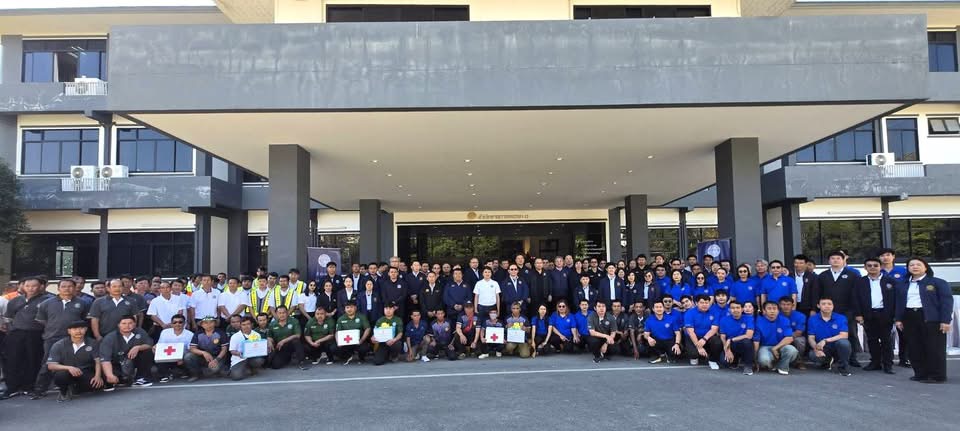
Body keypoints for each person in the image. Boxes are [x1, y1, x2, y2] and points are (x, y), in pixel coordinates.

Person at [895, 257, 953, 383]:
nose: (915, 267)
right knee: (914, 346)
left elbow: (946, 302)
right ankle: (920, 373)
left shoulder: (937, 282)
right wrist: (898, 319)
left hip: (930, 318)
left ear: (925, 267)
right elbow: (898, 303)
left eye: (918, 264)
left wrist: (945, 320)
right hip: (909, 317)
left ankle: (937, 376)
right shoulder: (902, 284)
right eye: (911, 265)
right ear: (908, 268)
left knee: (934, 348)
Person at [32, 278, 89, 399]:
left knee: (74, 362)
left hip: (74, 338)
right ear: (58, 288)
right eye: (63, 286)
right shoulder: (47, 303)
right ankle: (40, 389)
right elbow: (42, 320)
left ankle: (72, 387)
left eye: (70, 286)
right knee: (48, 363)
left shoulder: (82, 303)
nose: (67, 289)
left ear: (75, 288)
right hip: (52, 337)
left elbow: (84, 319)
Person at [0, 277, 52, 400]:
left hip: (36, 334)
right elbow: (8, 318)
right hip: (16, 333)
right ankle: (12, 387)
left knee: (33, 360)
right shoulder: (15, 300)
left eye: (34, 286)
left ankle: (29, 387)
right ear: (23, 286)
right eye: (27, 286)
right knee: (12, 360)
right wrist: (10, 330)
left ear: (40, 286)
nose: (30, 288)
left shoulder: (47, 300)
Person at [817, 251, 861, 367]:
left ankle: (852, 358)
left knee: (851, 333)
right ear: (829, 261)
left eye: (838, 258)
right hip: (827, 311)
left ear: (843, 260)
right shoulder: (823, 276)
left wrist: (857, 312)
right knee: (828, 332)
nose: (835, 260)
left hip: (847, 310)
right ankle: (830, 357)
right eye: (833, 258)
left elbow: (857, 294)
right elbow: (818, 293)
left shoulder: (852, 275)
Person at [853, 257, 897, 374]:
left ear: (881, 267)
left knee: (886, 340)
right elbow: (855, 299)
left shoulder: (890, 281)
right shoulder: (860, 282)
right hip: (868, 314)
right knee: (872, 340)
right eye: (869, 265)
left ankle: (888, 364)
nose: (872, 267)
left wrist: (895, 315)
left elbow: (896, 299)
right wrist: (858, 314)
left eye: (875, 265)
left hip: (885, 314)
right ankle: (875, 362)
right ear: (865, 267)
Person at [46, 320, 103, 402]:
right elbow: (51, 365)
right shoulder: (59, 345)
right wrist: (69, 368)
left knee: (95, 385)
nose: (78, 331)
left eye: (81, 328)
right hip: (66, 372)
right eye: (75, 329)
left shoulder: (93, 343)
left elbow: (98, 361)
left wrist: (98, 376)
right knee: (61, 376)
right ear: (69, 331)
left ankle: (75, 388)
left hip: (84, 371)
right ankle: (64, 391)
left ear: (86, 329)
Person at [99, 315, 155, 389]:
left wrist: (138, 347)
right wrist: (109, 375)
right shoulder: (110, 338)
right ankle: (123, 379)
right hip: (117, 363)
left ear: (134, 324)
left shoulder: (140, 331)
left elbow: (149, 344)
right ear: (118, 325)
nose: (127, 326)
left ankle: (141, 378)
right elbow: (105, 359)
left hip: (133, 361)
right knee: (113, 379)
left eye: (130, 323)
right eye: (124, 323)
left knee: (147, 352)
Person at [877, 248, 910, 368]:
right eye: (882, 255)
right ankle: (885, 359)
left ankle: (904, 359)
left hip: (901, 306)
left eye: (888, 255)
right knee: (884, 335)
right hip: (884, 307)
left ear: (893, 256)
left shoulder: (903, 271)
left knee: (904, 334)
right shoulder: (877, 270)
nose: (885, 258)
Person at [807, 297, 853, 377]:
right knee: (812, 355)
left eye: (829, 304)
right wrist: (816, 348)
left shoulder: (841, 318)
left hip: (837, 347)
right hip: (823, 348)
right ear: (818, 306)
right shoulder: (812, 319)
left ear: (833, 306)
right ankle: (826, 362)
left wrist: (825, 340)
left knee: (844, 343)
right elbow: (811, 337)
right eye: (823, 304)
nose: (827, 306)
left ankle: (843, 367)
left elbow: (844, 335)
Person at [754, 301, 799, 375]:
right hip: (765, 347)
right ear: (764, 311)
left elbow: (789, 338)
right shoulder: (758, 321)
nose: (772, 311)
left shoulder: (784, 320)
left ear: (778, 311)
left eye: (774, 309)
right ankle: (772, 365)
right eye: (769, 308)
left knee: (792, 350)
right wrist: (755, 360)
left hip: (781, 346)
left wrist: (775, 348)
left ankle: (782, 367)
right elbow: (756, 342)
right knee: (764, 360)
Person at [683, 295, 722, 369]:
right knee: (693, 355)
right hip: (693, 337)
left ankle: (712, 360)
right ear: (696, 303)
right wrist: (699, 347)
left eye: (706, 303)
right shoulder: (689, 313)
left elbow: (714, 329)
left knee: (717, 342)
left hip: (707, 337)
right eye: (702, 303)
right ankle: (698, 355)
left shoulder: (715, 312)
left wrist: (704, 339)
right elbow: (690, 332)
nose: (704, 305)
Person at [185, 316, 228, 381]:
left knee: (214, 369)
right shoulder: (198, 333)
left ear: (215, 323)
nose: (208, 324)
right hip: (202, 356)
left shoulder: (221, 333)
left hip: (217, 356)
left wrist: (216, 360)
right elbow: (192, 348)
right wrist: (204, 353)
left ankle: (209, 371)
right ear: (202, 325)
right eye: (205, 323)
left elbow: (224, 349)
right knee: (188, 356)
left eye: (211, 322)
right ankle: (195, 374)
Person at [718, 300, 755, 375]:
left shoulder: (749, 318)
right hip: (731, 345)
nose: (735, 310)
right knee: (724, 362)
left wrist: (731, 339)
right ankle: (735, 360)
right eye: (733, 308)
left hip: (742, 344)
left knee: (747, 341)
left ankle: (748, 366)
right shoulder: (724, 319)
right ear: (729, 309)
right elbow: (723, 337)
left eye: (738, 308)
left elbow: (749, 335)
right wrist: (727, 350)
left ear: (742, 309)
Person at [154, 314, 194, 382]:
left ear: (184, 323)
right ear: (171, 324)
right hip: (167, 357)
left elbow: (191, 349)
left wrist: (181, 359)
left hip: (182, 358)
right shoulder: (165, 332)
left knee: (189, 357)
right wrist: (155, 348)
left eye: (180, 322)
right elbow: (160, 345)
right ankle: (164, 375)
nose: (177, 324)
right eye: (175, 322)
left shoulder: (190, 334)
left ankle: (185, 372)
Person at [228, 316, 267, 380]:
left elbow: (259, 347)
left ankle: (252, 368)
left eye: (248, 324)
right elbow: (232, 351)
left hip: (252, 357)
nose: (246, 326)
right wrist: (239, 353)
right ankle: (245, 369)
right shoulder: (235, 336)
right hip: (239, 359)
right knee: (236, 377)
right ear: (240, 325)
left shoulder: (257, 335)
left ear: (252, 325)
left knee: (259, 360)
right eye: (243, 325)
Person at [268, 305, 306, 370]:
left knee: (296, 341)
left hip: (291, 345)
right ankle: (287, 358)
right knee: (275, 365)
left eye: (284, 313)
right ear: (276, 314)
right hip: (281, 347)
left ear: (287, 313)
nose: (282, 315)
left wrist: (283, 341)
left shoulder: (294, 321)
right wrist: (269, 342)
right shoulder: (272, 324)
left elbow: (298, 335)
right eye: (280, 313)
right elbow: (270, 336)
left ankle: (301, 362)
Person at [334, 300, 371, 365]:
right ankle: (347, 356)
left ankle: (361, 358)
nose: (349, 309)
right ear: (345, 309)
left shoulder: (361, 317)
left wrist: (362, 340)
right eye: (347, 307)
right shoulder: (341, 319)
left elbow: (367, 329)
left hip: (359, 341)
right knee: (334, 348)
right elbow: (337, 332)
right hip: (346, 342)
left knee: (364, 348)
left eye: (351, 307)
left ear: (355, 308)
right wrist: (338, 342)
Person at [778, 297, 808, 369]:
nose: (786, 307)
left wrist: (787, 338)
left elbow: (799, 332)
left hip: (794, 336)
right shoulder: (776, 314)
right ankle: (776, 360)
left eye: (788, 304)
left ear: (793, 305)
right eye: (783, 304)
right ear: (779, 305)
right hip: (778, 336)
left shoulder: (800, 316)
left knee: (800, 340)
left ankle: (798, 361)